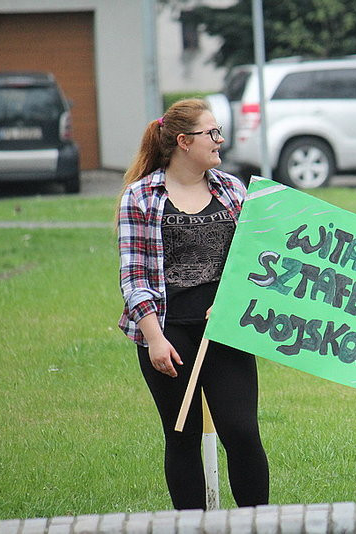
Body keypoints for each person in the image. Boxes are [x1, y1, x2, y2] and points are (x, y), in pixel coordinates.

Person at [117, 98, 269, 509]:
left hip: (225, 328)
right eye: (211, 133)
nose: (220, 140)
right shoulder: (141, 197)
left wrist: (235, 300)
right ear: (183, 142)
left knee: (242, 432)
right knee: (181, 434)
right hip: (168, 332)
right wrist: (154, 340)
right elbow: (134, 278)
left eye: (219, 132)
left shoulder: (232, 190)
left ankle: (258, 522)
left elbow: (254, 260)